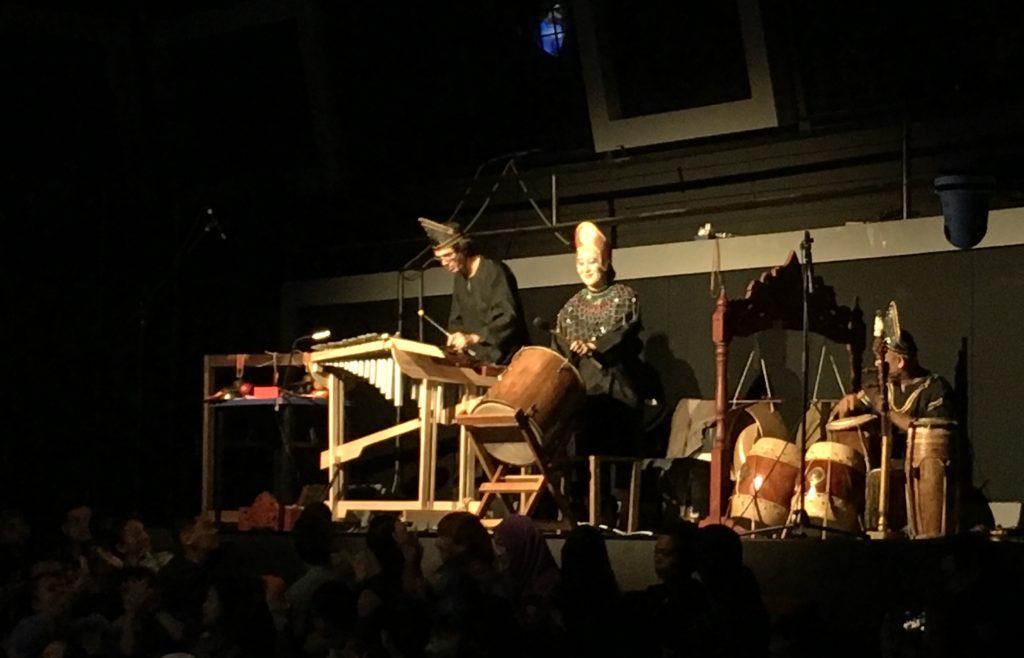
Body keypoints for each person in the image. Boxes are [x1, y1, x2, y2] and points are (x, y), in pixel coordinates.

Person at [553, 221, 647, 524]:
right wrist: (573, 349)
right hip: (585, 396)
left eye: (591, 261)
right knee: (582, 456)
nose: (585, 267)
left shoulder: (624, 297)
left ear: (605, 262)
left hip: (617, 390)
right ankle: (584, 516)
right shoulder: (569, 308)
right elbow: (560, 348)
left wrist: (595, 345)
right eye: (580, 262)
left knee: (616, 454)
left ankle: (620, 517)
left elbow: (624, 335)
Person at [418, 217, 529, 365]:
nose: (444, 263)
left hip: (509, 360)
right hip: (478, 361)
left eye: (448, 255)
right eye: (440, 258)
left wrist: (474, 338)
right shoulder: (459, 278)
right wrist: (456, 337)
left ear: (463, 249)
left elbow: (507, 317)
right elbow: (456, 319)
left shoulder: (493, 271)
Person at [835, 328, 955, 453]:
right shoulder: (878, 387)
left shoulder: (935, 389)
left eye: (882, 358)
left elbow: (931, 434)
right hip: (878, 466)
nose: (877, 364)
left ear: (900, 361)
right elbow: (855, 411)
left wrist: (887, 411)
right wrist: (849, 405)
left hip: (920, 464)